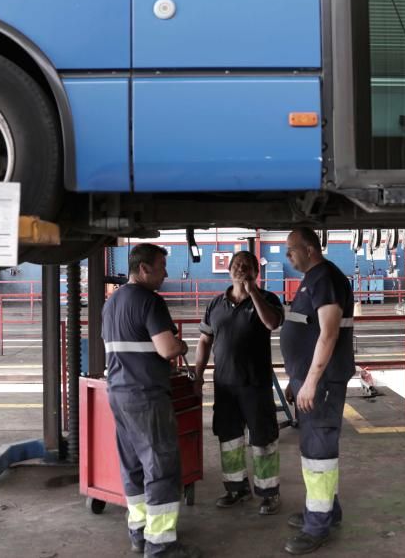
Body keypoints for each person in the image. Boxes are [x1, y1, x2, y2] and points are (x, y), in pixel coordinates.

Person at [102, 243, 201, 558]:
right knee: (161, 467)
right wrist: (183, 347)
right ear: (143, 269)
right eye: (160, 267)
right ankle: (160, 545)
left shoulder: (112, 301)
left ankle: (140, 533)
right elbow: (167, 349)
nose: (166, 273)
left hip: (118, 394)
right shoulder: (149, 301)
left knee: (132, 465)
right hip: (145, 395)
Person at [279, 227, 355, 555]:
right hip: (310, 380)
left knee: (318, 452)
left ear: (309, 249)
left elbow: (328, 334)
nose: (287, 256)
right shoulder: (316, 278)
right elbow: (306, 332)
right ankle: (325, 510)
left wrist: (310, 381)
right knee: (314, 448)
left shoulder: (324, 278)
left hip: (322, 383)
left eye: (291, 250)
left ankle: (317, 525)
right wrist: (297, 378)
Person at [193, 250, 285, 516]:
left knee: (263, 439)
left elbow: (271, 323)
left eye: (246, 266)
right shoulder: (215, 305)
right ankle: (236, 488)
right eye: (236, 264)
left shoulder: (268, 299)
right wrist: (198, 376)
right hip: (224, 386)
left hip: (255, 385)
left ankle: (269, 493)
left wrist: (253, 291)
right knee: (229, 439)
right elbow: (204, 341)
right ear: (229, 269)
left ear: (256, 272)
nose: (240, 269)